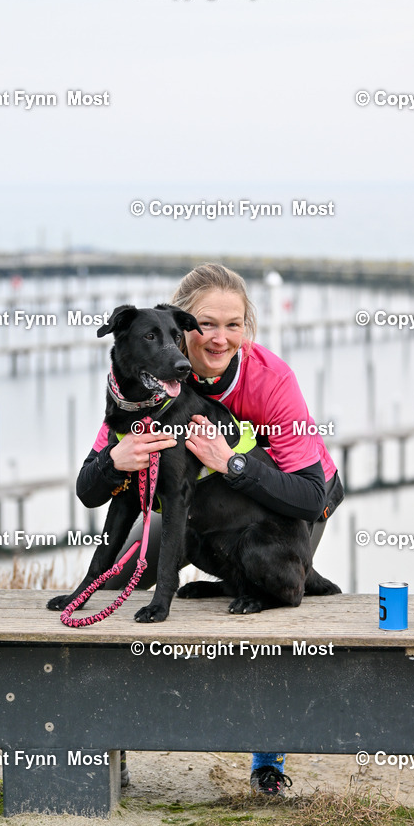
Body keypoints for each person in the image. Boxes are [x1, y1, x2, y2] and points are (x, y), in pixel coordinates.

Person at [76, 264, 344, 795]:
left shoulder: (271, 380)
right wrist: (117, 460)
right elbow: (90, 491)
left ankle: (267, 764)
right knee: (117, 580)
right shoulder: (144, 381)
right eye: (206, 324)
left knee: (270, 609)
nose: (219, 337)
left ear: (247, 329)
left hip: (289, 508)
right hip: (195, 511)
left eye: (235, 324)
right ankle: (109, 748)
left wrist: (233, 463)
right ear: (181, 328)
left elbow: (309, 498)